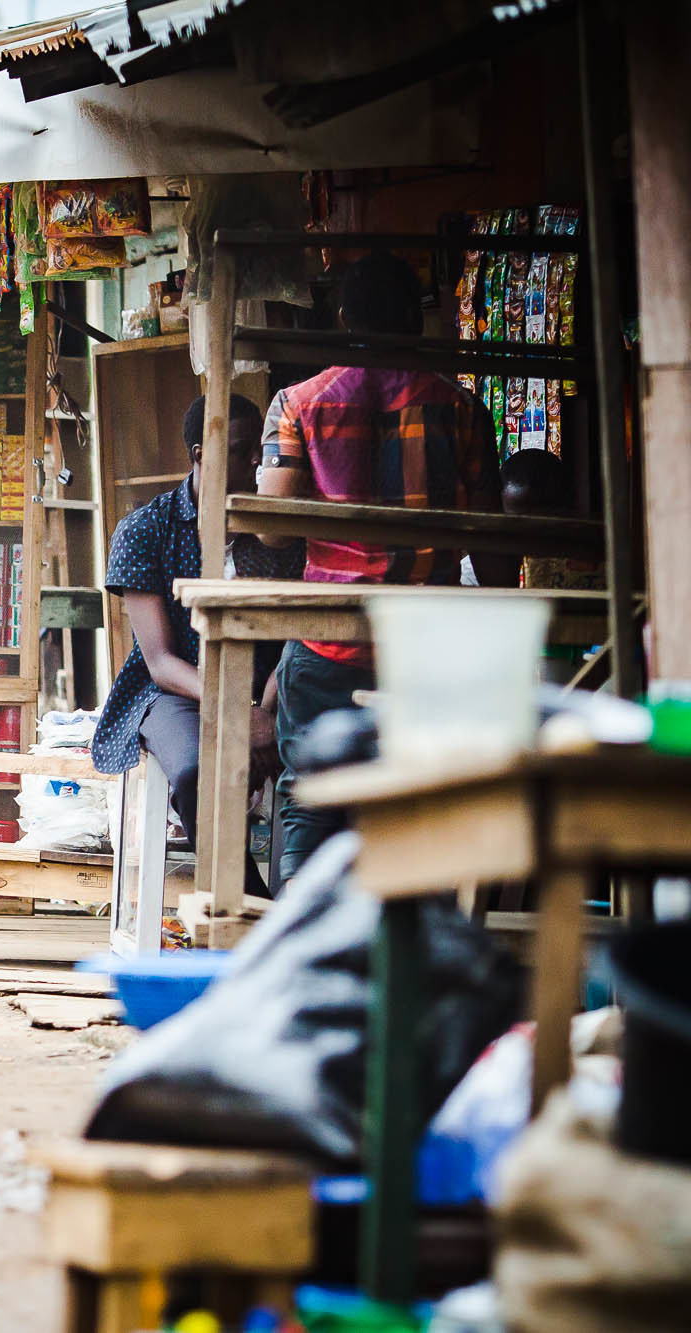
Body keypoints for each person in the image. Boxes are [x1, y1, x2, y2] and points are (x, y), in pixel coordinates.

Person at [258, 252, 517, 880]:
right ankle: (411, 950)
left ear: (343, 317)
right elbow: (494, 557)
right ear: (416, 320)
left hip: (328, 639)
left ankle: (305, 938)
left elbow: (268, 527)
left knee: (310, 799)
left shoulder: (296, 403)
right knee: (419, 797)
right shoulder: (461, 409)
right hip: (424, 639)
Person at [91, 394, 301, 899]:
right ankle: (252, 912)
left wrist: (267, 707)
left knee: (325, 763)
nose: (256, 460)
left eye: (261, 448)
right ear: (199, 453)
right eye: (241, 449)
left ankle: (303, 910)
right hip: (176, 691)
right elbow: (161, 661)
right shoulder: (145, 529)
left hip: (272, 688)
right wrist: (239, 710)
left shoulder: (281, 533)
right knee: (196, 772)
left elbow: (297, 631)